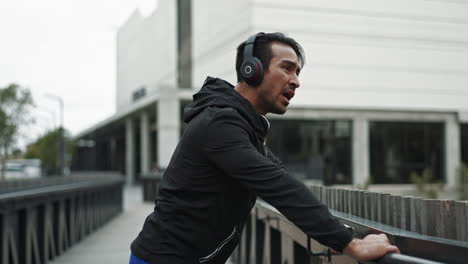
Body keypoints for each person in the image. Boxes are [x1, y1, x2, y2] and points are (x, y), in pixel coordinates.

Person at [130, 32, 400, 264]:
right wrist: (351, 244)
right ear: (252, 69)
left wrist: (337, 229)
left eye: (297, 72)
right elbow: (279, 186)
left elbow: (283, 179)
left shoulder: (243, 128)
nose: (295, 81)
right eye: (287, 68)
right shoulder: (219, 124)